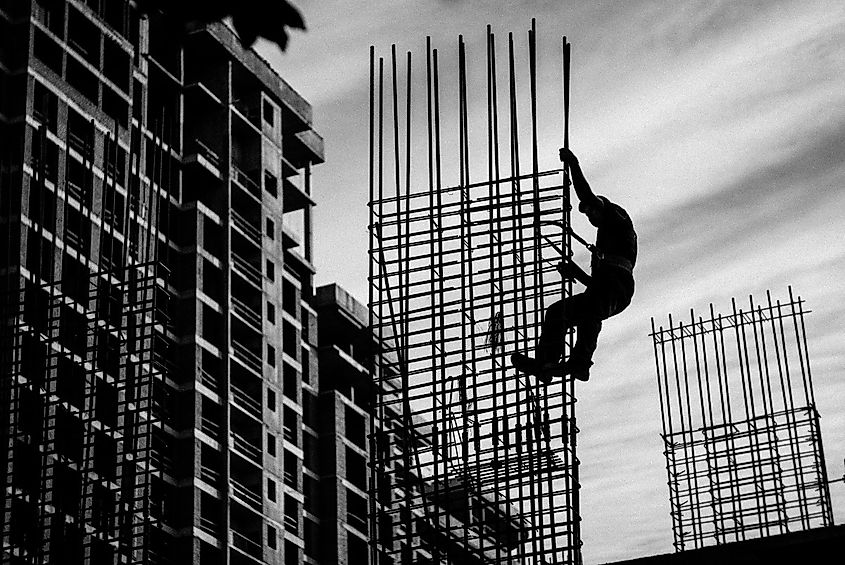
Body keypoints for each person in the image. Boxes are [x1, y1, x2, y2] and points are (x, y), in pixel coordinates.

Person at [511, 148, 637, 382]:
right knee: (571, 314)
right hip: (609, 290)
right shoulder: (604, 242)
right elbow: (596, 286)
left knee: (576, 310)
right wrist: (575, 272)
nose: (590, 218)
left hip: (617, 288)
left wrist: (573, 164)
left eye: (592, 213)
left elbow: (587, 197)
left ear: (602, 208)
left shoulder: (618, 221)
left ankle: (569, 363)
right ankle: (557, 364)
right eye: (587, 216)